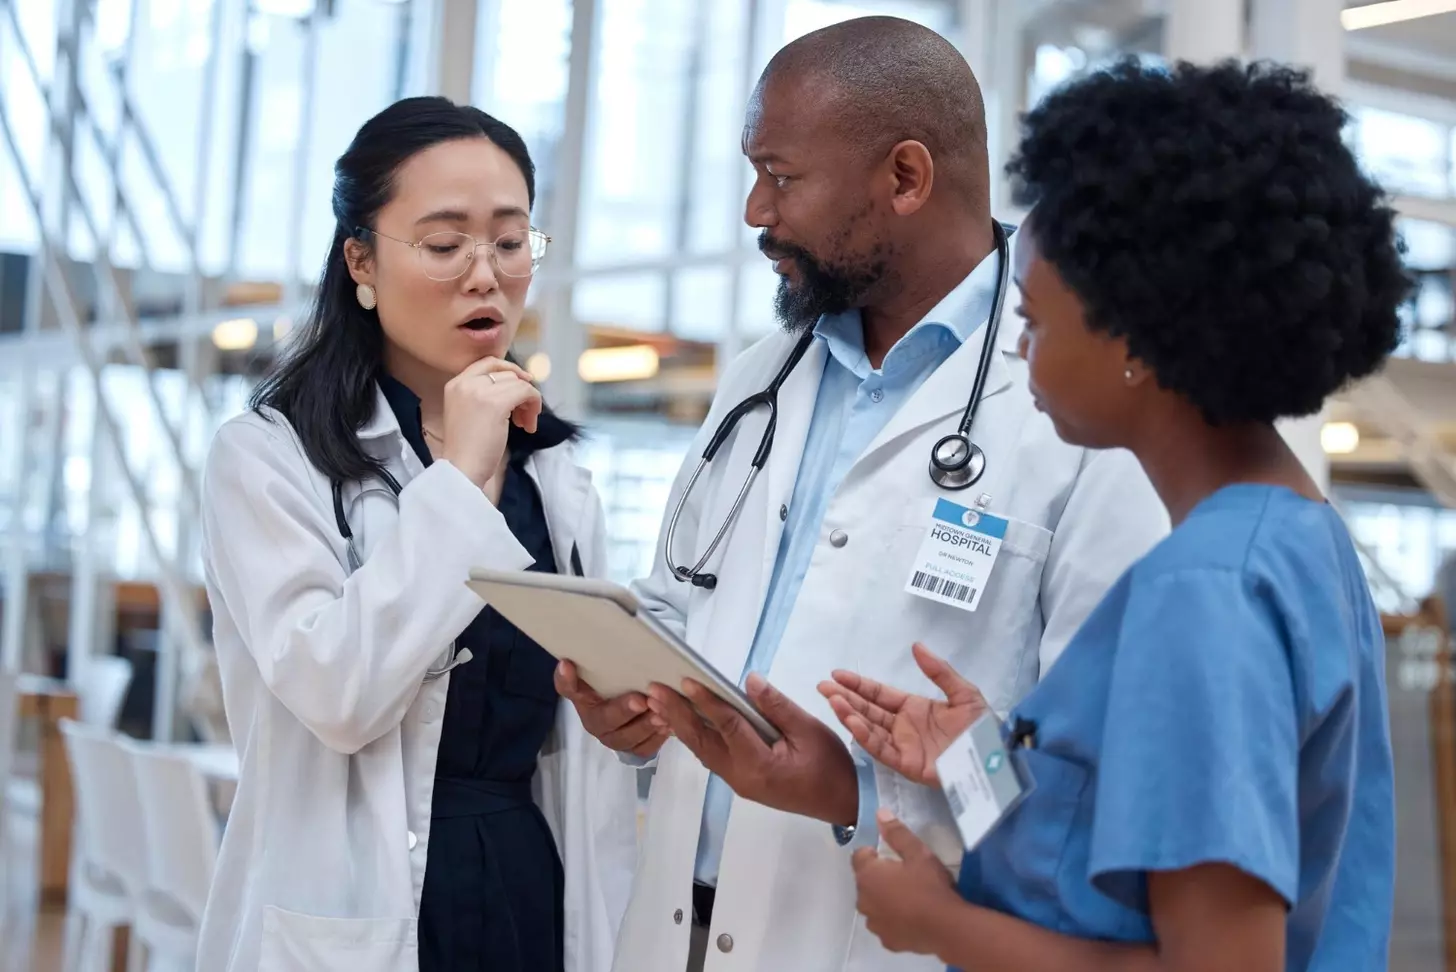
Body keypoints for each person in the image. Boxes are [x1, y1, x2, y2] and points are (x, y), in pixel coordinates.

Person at [555, 16, 1168, 972]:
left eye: (783, 175)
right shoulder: (762, 375)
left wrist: (858, 792)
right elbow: (687, 605)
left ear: (907, 178)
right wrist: (632, 707)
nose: (757, 210)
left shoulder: (1081, 414)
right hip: (677, 929)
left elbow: (1088, 784)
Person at [823, 59, 1405, 972]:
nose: (1019, 349)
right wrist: (978, 763)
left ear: (1133, 335)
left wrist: (938, 925)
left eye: (1035, 321)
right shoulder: (1299, 539)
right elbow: (1117, 847)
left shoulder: (1207, 590)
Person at [196, 97, 638, 972]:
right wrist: (461, 479)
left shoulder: (556, 477)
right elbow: (338, 693)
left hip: (524, 889)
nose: (486, 275)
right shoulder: (267, 456)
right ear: (361, 260)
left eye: (511, 242)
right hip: (359, 908)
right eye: (444, 245)